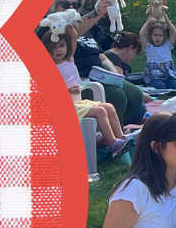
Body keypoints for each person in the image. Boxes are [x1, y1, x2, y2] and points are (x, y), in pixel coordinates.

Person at [50, 0, 147, 126]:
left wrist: (115, 74)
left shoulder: (87, 31)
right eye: (65, 4)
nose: (71, 8)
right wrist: (99, 11)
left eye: (76, 5)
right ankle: (109, 139)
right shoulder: (55, 29)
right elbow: (73, 31)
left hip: (102, 74)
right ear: (55, 7)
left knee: (136, 95)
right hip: (83, 81)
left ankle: (111, 132)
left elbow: (101, 55)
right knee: (117, 96)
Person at [40, 27, 132, 157]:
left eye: (61, 46)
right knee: (100, 111)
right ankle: (113, 145)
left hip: (78, 103)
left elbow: (73, 36)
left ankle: (121, 138)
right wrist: (67, 90)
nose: (58, 50)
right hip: (65, 106)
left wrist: (65, 23)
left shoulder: (69, 59)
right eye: (53, 47)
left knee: (109, 107)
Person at [140, 16, 176, 90]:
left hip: (167, 76)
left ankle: (167, 83)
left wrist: (166, 19)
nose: (157, 37)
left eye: (160, 35)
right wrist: (148, 21)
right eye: (155, 35)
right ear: (151, 36)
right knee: (160, 87)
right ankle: (155, 83)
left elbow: (175, 32)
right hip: (154, 77)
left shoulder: (167, 46)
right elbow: (141, 34)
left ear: (164, 36)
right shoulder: (148, 47)